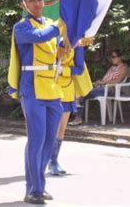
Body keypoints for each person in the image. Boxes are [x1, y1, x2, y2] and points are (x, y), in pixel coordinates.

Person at [7, 0, 64, 204]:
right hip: (32, 88)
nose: (37, 3)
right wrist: (60, 27)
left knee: (50, 141)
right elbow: (41, 37)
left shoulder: (51, 24)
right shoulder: (21, 27)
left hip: (52, 87)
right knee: (37, 139)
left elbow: (60, 48)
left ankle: (40, 186)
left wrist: (75, 39)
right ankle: (33, 189)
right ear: (23, 3)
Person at [48, 45, 85, 176]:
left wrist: (63, 70)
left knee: (61, 128)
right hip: (48, 86)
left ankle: (53, 161)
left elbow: (80, 69)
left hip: (66, 89)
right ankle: (42, 160)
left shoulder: (78, 44)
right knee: (49, 128)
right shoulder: (52, 38)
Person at [69, 49, 128, 126]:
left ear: (120, 58)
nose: (112, 59)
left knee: (82, 93)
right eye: (111, 57)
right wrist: (98, 82)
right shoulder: (112, 67)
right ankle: (76, 116)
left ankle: (78, 118)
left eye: (114, 57)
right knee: (81, 90)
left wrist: (104, 82)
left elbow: (118, 80)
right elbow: (104, 79)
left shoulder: (123, 67)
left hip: (110, 89)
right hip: (101, 87)